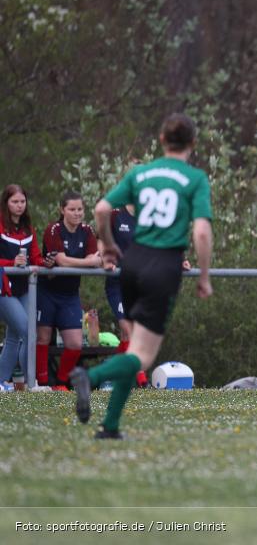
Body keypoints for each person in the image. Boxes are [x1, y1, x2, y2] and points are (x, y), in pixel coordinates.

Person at [70, 113, 213, 439]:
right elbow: (202, 232)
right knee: (142, 357)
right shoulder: (194, 179)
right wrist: (204, 276)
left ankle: (110, 426)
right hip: (163, 267)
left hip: (132, 264)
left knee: (134, 348)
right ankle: (88, 378)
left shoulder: (142, 173)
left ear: (162, 140)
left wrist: (106, 245)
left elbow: (102, 208)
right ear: (192, 143)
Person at [100, 204, 191, 387]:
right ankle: (141, 380)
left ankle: (111, 376)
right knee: (128, 328)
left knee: (131, 336)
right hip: (119, 284)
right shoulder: (115, 215)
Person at [35, 191, 103, 389]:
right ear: (62, 210)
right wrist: (86, 262)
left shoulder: (88, 231)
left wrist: (89, 261)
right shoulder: (53, 230)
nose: (76, 213)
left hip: (70, 295)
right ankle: (41, 384)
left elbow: (97, 260)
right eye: (72, 209)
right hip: (46, 292)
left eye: (80, 209)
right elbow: (61, 260)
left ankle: (61, 383)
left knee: (75, 344)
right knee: (43, 338)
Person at [0, 185, 43, 390]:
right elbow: (8, 262)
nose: (19, 206)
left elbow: (35, 257)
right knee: (27, 331)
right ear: (6, 203)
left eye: (22, 202)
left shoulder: (28, 228)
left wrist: (47, 263)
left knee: (15, 336)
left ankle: (4, 382)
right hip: (3, 289)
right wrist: (11, 263)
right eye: (14, 202)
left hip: (25, 288)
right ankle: (30, 382)